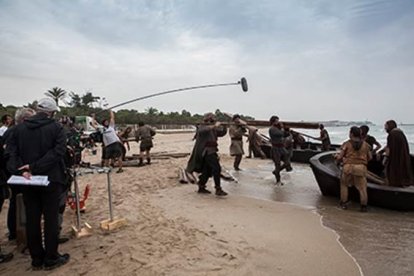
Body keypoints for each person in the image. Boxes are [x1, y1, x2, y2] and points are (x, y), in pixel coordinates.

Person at [6, 98, 70, 270]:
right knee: (50, 219)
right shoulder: (56, 128)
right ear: (51, 113)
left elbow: (10, 154)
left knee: (32, 219)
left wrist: (22, 170)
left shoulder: (18, 129)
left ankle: (36, 259)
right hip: (50, 179)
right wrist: (34, 167)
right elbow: (58, 152)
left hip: (27, 181)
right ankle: (51, 258)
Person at [4, 108, 35, 242]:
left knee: (15, 203)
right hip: (17, 173)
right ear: (25, 120)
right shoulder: (15, 133)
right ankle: (17, 233)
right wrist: (21, 170)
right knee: (19, 203)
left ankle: (14, 232)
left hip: (14, 172)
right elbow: (11, 155)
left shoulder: (11, 131)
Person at [186, 113, 228, 196]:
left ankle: (201, 186)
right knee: (217, 168)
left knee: (207, 170)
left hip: (211, 151)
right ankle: (218, 189)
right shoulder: (202, 126)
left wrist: (224, 126)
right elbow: (202, 131)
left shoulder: (212, 128)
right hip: (206, 151)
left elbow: (221, 133)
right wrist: (215, 126)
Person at [335, 126, 372, 212]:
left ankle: (343, 204)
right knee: (362, 189)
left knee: (344, 186)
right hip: (360, 168)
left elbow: (340, 157)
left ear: (351, 134)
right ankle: (363, 207)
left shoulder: (347, 144)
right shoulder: (366, 145)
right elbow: (370, 158)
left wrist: (337, 158)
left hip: (347, 167)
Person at [379, 120, 413, 187]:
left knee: (390, 171)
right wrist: (381, 151)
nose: (385, 128)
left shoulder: (391, 134)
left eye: (386, 126)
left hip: (394, 157)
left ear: (389, 126)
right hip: (401, 156)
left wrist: (385, 158)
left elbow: (389, 148)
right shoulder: (400, 133)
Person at [269, 116, 289, 185]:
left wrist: (286, 130)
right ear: (273, 121)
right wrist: (282, 128)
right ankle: (278, 180)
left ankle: (276, 171)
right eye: (277, 121)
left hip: (281, 148)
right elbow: (281, 134)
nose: (278, 122)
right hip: (275, 148)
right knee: (277, 164)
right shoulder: (272, 129)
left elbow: (285, 135)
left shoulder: (277, 128)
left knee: (287, 163)